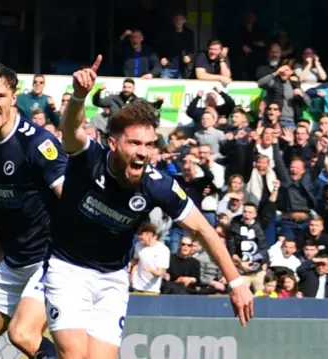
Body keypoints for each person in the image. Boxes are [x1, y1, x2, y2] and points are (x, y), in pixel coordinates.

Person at [43, 55, 254, 359]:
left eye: (149, 144)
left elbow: (203, 230)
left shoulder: (158, 185)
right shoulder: (88, 158)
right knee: (75, 355)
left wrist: (235, 282)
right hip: (67, 269)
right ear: (114, 144)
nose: (143, 153)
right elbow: (71, 130)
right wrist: (78, 96)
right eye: (134, 144)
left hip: (112, 279)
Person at [0, 64, 66, 359]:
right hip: (15, 260)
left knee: (22, 334)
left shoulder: (37, 143)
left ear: (14, 97)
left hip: (52, 258)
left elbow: (72, 204)